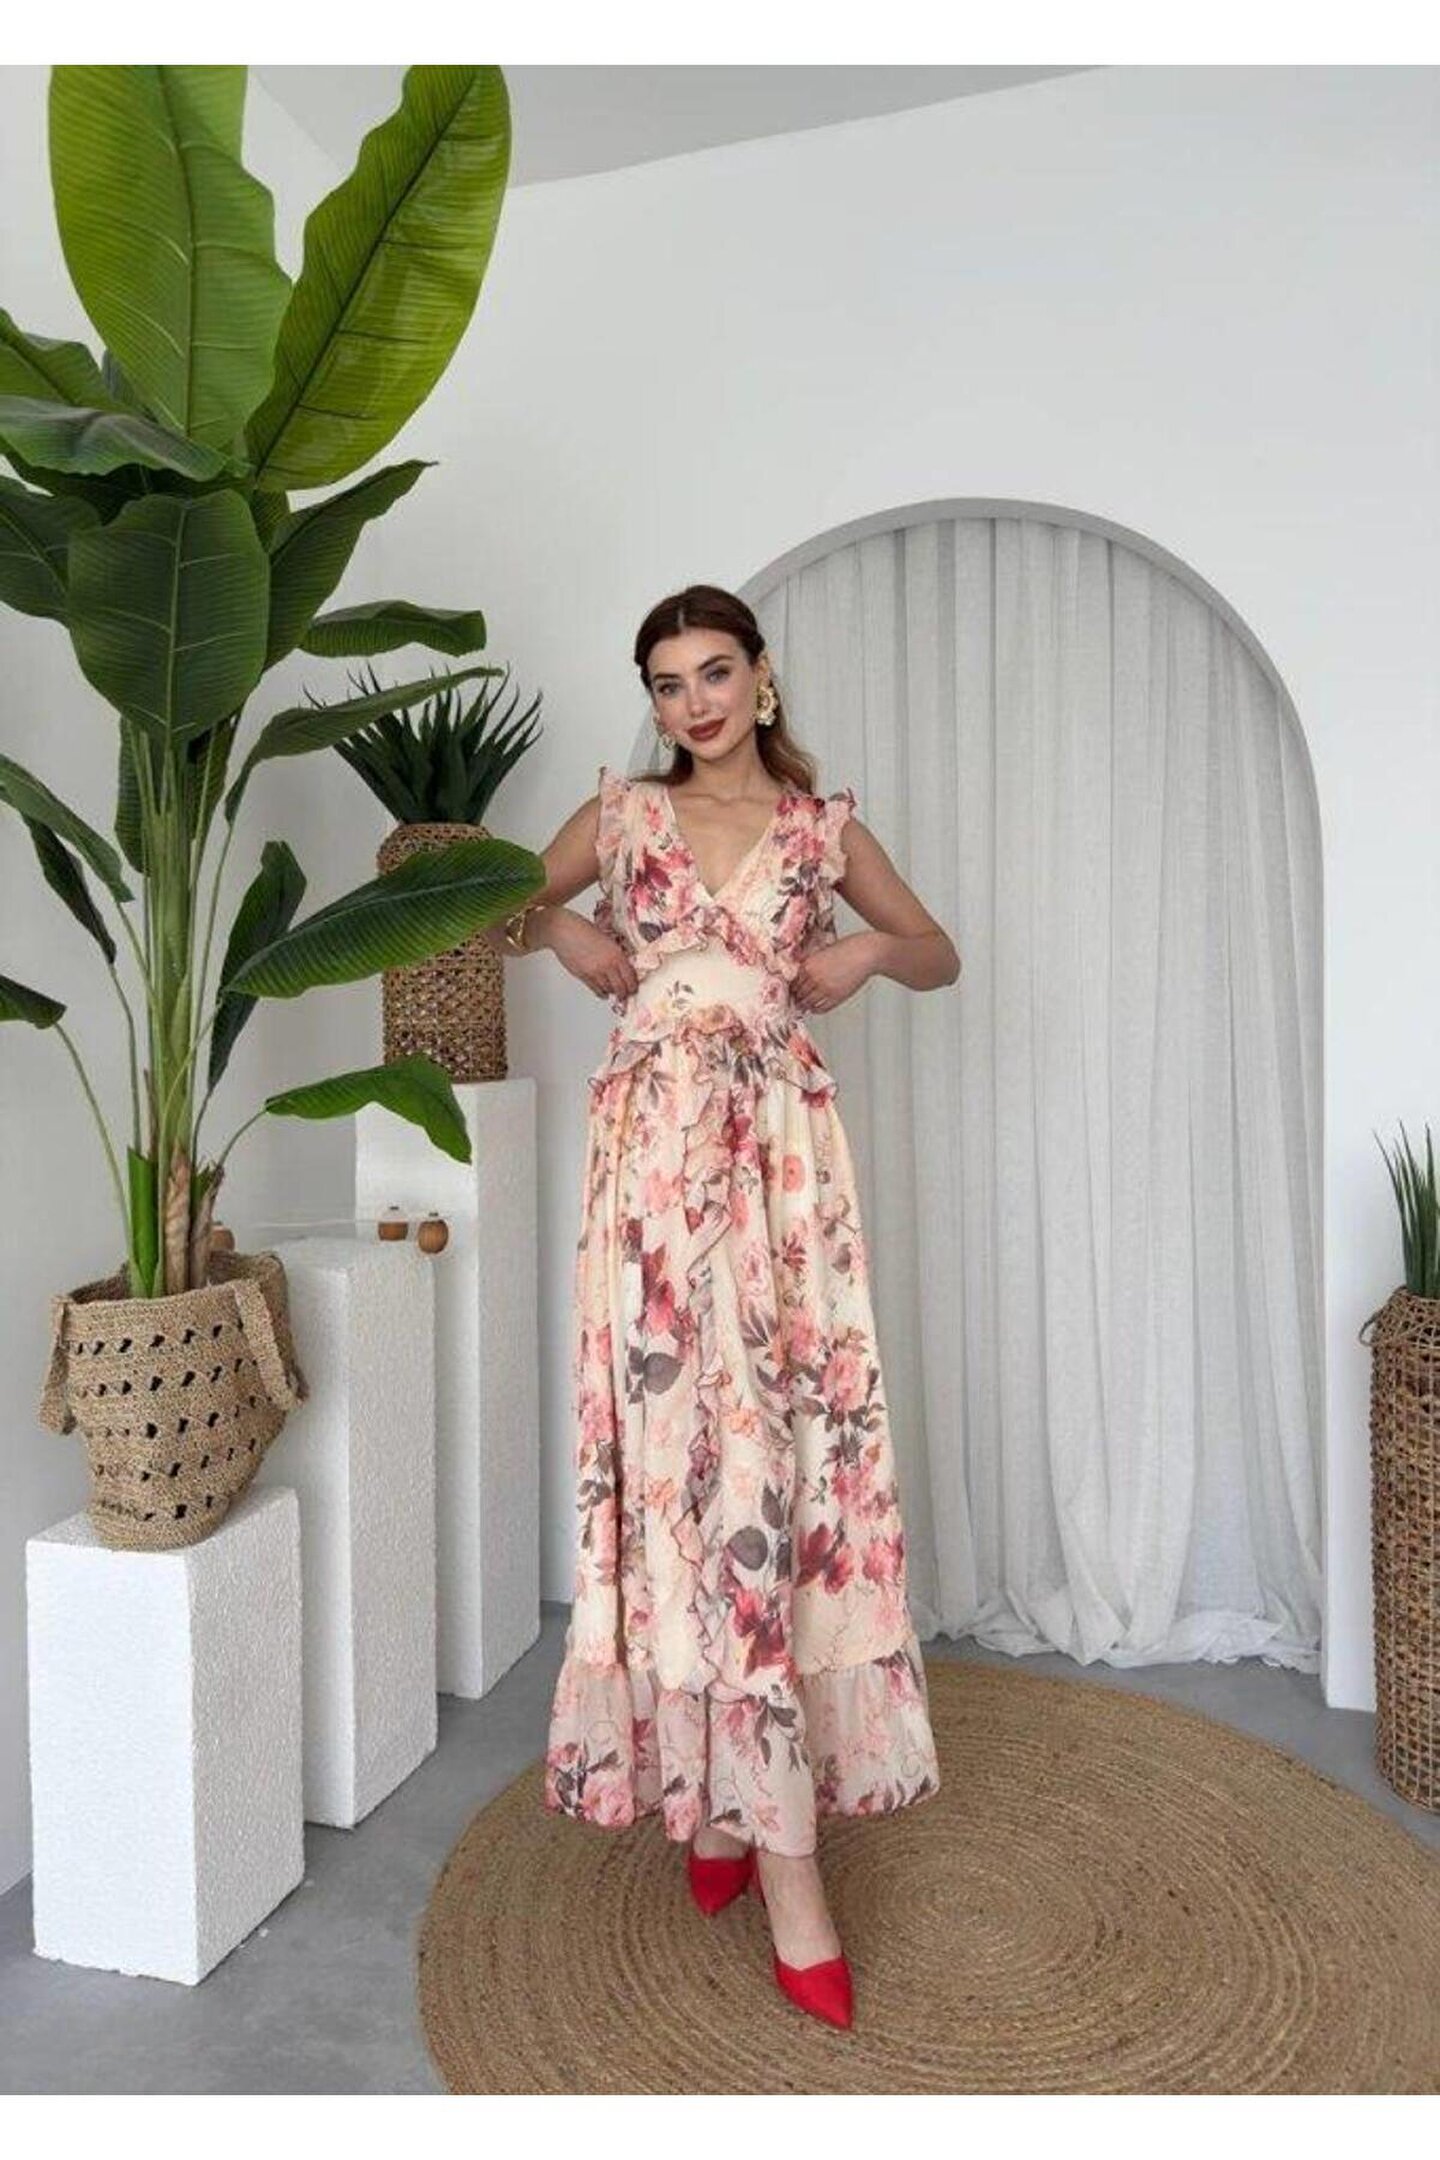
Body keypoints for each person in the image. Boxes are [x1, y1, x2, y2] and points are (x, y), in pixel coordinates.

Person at [491, 584, 960, 2030]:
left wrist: (864, 952)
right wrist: (559, 933)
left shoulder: (823, 833)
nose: (691, 703)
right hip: (649, 1179)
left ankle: (776, 1846)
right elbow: (486, 903)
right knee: (677, 1468)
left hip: (781, 1176)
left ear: (762, 678)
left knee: (775, 1461)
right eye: (666, 682)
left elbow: (937, 949)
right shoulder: (624, 816)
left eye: (713, 673)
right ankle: (714, 1799)